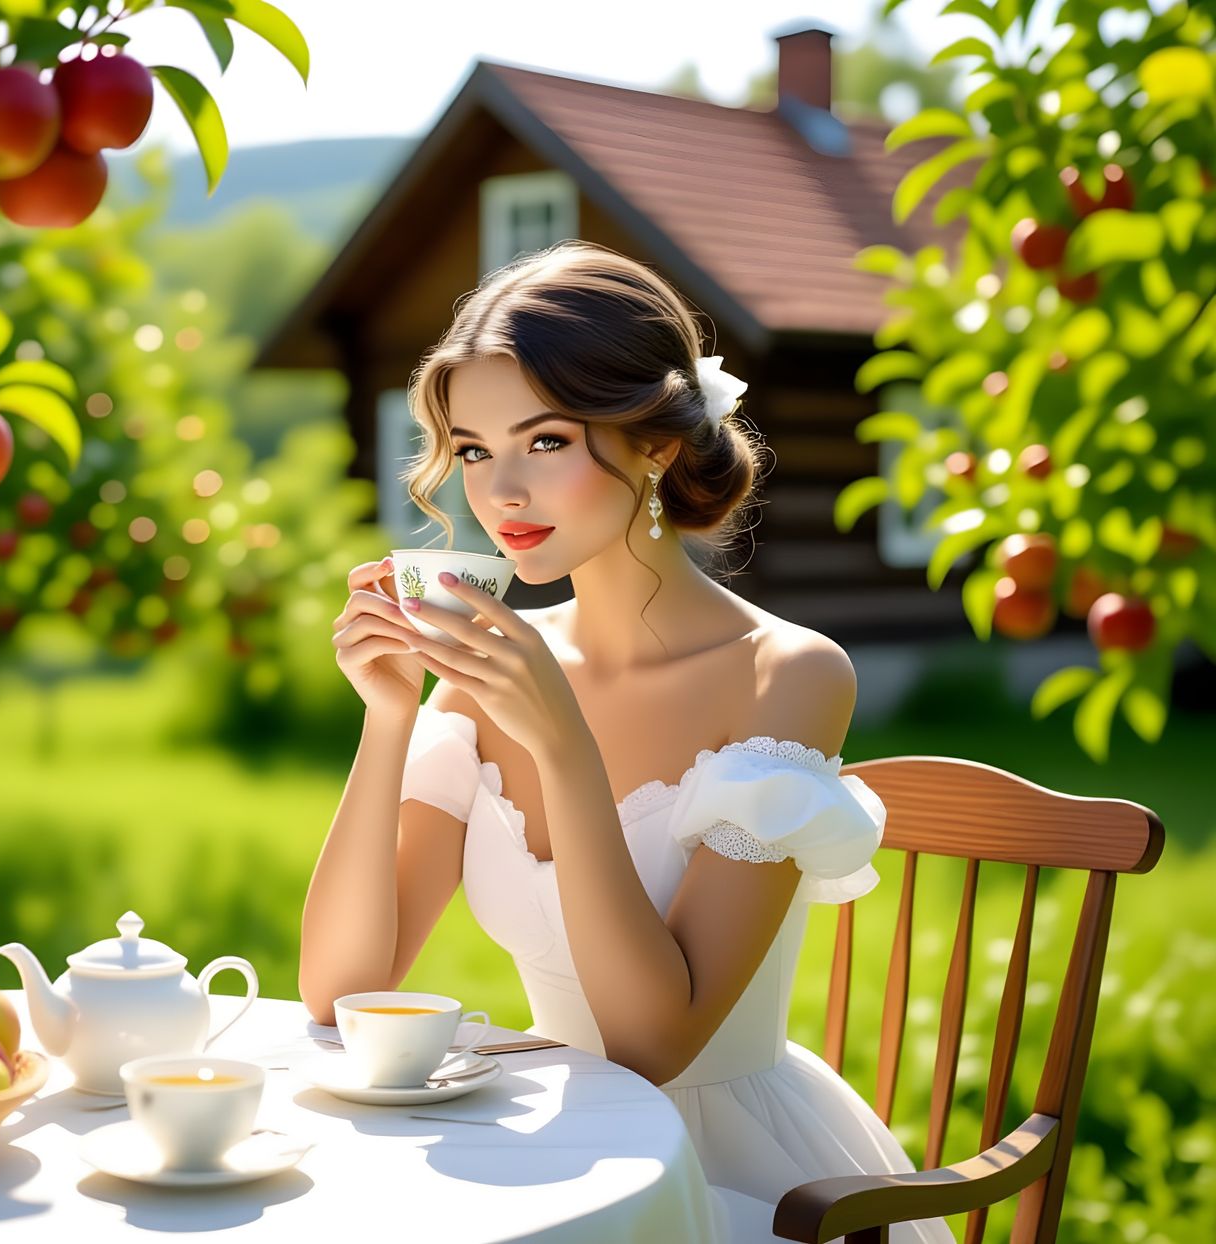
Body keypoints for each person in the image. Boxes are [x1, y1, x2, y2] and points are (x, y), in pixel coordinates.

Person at [299, 239, 953, 1243]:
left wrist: (562, 748)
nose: (500, 490)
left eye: (545, 441)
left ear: (653, 442)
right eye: (472, 449)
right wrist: (387, 717)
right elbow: (342, 989)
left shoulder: (789, 673)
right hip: (544, 1140)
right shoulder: (491, 671)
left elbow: (654, 1043)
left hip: (727, 1169)